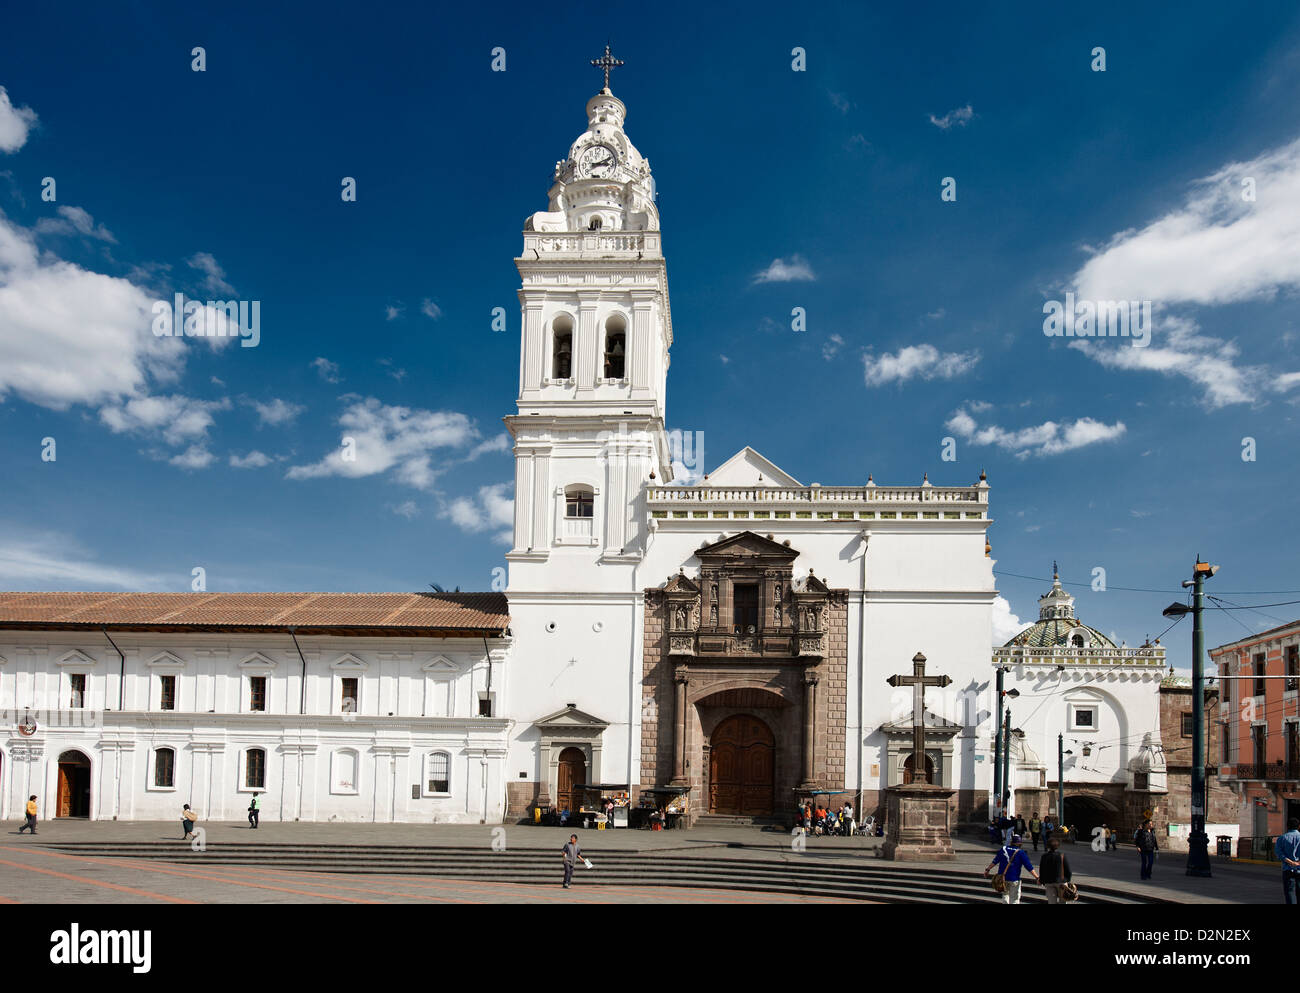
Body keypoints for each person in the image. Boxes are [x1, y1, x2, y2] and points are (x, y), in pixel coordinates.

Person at [984, 835, 1040, 905]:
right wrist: (1037, 877)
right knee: (1014, 900)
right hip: (1014, 879)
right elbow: (1029, 867)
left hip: (1003, 878)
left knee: (1005, 896)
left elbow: (995, 861)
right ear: (1020, 843)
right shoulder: (1021, 852)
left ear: (1011, 842)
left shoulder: (1003, 849)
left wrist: (988, 869)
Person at [1039, 836, 1073, 904]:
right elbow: (1068, 870)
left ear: (1048, 846)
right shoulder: (1062, 855)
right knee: (1063, 901)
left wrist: (1042, 881)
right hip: (1061, 882)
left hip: (1048, 882)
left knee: (1051, 902)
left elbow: (1041, 870)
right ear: (1058, 846)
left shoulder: (1044, 856)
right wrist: (1067, 880)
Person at [1275, 817, 1300, 904]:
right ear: (1299, 827)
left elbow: (1279, 854)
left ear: (1287, 827)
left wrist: (1291, 862)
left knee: (1290, 893)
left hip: (1288, 869)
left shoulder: (1282, 838)